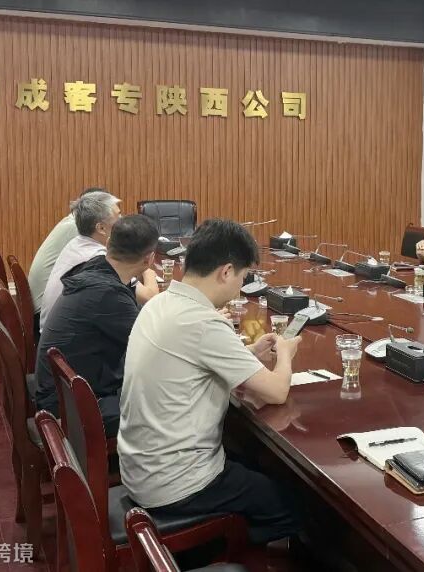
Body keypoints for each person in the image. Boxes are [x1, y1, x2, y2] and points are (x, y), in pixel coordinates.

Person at [119, 219, 301, 544]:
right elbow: (277, 391)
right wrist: (285, 353)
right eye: (243, 278)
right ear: (226, 271)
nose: (240, 289)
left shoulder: (160, 302)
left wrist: (249, 353)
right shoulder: (203, 322)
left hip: (141, 469)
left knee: (255, 466)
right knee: (298, 507)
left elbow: (191, 360)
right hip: (176, 484)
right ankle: (219, 548)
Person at [33, 215, 159, 437]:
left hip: (63, 393)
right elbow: (156, 346)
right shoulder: (108, 294)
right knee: (168, 402)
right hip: (70, 409)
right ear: (149, 260)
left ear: (108, 244)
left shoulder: (96, 269)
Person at [40, 191, 157, 327]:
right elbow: (149, 297)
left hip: (57, 329)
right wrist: (148, 269)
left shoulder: (76, 243)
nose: (123, 220)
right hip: (69, 333)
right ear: (101, 228)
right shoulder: (97, 260)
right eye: (118, 216)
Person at [27, 187, 108, 333]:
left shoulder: (71, 222)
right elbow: (110, 262)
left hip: (42, 307)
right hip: (45, 314)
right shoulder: (77, 228)